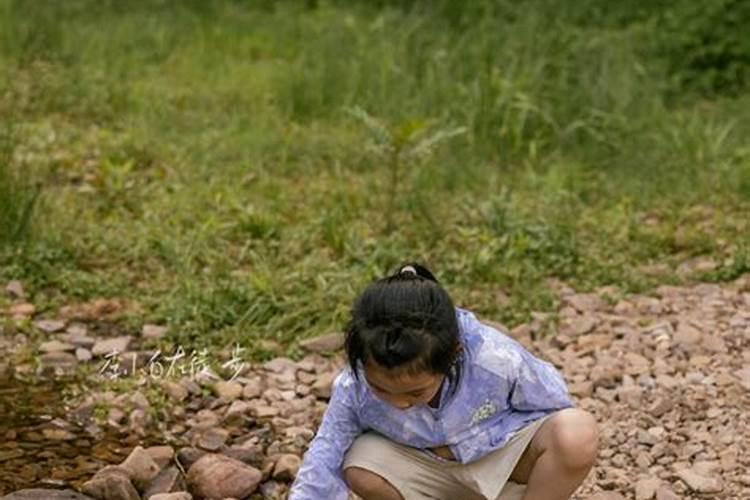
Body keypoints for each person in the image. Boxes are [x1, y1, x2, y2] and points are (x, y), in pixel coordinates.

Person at [289, 263, 598, 500]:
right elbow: (327, 448)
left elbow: (553, 405)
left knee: (575, 432)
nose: (399, 403)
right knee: (359, 463)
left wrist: (465, 444)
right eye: (381, 389)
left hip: (497, 464)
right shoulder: (353, 384)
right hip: (423, 469)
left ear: (453, 356)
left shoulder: (494, 359)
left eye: (415, 391)